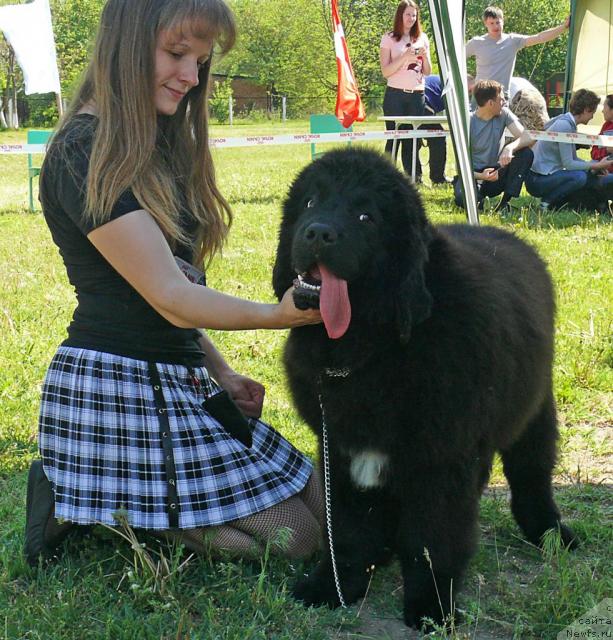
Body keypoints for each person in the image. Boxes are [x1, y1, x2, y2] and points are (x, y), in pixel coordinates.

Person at [24, 0, 325, 568]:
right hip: (114, 388)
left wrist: (221, 372)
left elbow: (171, 296)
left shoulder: (156, 143)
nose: (191, 75)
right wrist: (277, 314)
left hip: (178, 378)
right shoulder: (80, 150)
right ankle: (99, 508)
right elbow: (169, 295)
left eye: (202, 61)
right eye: (176, 53)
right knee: (294, 541)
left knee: (323, 512)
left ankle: (110, 498)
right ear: (126, 45)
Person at [454, 80, 534, 213]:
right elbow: (460, 167)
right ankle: (479, 200)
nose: (504, 103)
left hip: (497, 172)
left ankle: (506, 202)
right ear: (491, 103)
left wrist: (510, 148)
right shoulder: (466, 122)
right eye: (501, 99)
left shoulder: (504, 114)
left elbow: (527, 138)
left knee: (525, 153)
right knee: (462, 199)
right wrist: (481, 176)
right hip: (472, 175)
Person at [526, 89, 613, 211]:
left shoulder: (568, 123)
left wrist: (595, 166)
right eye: (592, 112)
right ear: (586, 110)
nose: (593, 116)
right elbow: (569, 164)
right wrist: (596, 165)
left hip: (544, 177)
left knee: (587, 175)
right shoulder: (565, 125)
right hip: (538, 180)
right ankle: (547, 202)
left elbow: (573, 159)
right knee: (580, 177)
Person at [466, 6, 569, 99]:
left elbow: (539, 37)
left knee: (511, 120)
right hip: (480, 96)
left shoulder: (512, 41)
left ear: (503, 21)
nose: (495, 26)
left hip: (501, 96)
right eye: (491, 23)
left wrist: (563, 27)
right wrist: (467, 79)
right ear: (485, 24)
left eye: (498, 22)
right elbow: (456, 58)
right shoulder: (476, 42)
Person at [380, 0, 432, 178]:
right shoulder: (389, 38)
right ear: (400, 16)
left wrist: (424, 57)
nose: (411, 18)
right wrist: (404, 57)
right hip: (395, 94)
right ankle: (385, 177)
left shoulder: (422, 38)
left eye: (414, 15)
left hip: (417, 95)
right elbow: (386, 71)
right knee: (394, 137)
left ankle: (414, 178)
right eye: (408, 14)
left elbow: (428, 71)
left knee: (413, 139)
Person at [415, 74, 453, 185]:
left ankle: (415, 178)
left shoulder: (441, 79)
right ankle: (437, 178)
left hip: (417, 101)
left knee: (411, 141)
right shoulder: (452, 85)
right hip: (423, 104)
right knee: (438, 138)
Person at [590, 94, 613, 174]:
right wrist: (607, 150)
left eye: (604, 107)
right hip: (602, 169)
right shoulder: (606, 125)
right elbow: (593, 152)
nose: (602, 111)